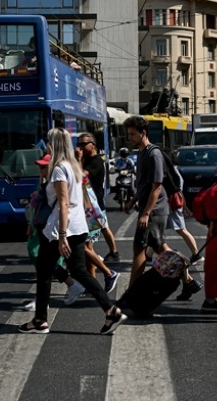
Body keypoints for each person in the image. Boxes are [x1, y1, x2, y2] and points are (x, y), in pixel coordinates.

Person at [18, 127, 127, 335]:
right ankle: (111, 310)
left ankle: (40, 320)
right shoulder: (74, 166)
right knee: (78, 271)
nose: (47, 145)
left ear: (53, 144)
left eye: (49, 142)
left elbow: (64, 203)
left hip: (62, 227)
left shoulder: (59, 168)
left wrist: (61, 235)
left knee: (44, 270)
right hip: (78, 225)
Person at [124, 115, 171, 285]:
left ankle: (131, 291)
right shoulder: (141, 153)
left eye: (132, 134)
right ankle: (187, 279)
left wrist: (146, 213)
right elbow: (143, 184)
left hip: (154, 210)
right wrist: (133, 200)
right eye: (129, 134)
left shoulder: (154, 154)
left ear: (143, 133)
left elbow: (156, 187)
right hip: (148, 208)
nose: (130, 138)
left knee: (139, 249)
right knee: (158, 246)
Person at [76, 132, 121, 268]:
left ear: (93, 145)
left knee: (89, 242)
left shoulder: (96, 161)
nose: (81, 147)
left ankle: (98, 266)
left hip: (94, 205)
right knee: (104, 227)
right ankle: (113, 252)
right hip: (90, 204)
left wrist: (78, 159)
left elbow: (81, 176)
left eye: (84, 144)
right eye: (79, 144)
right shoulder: (86, 159)